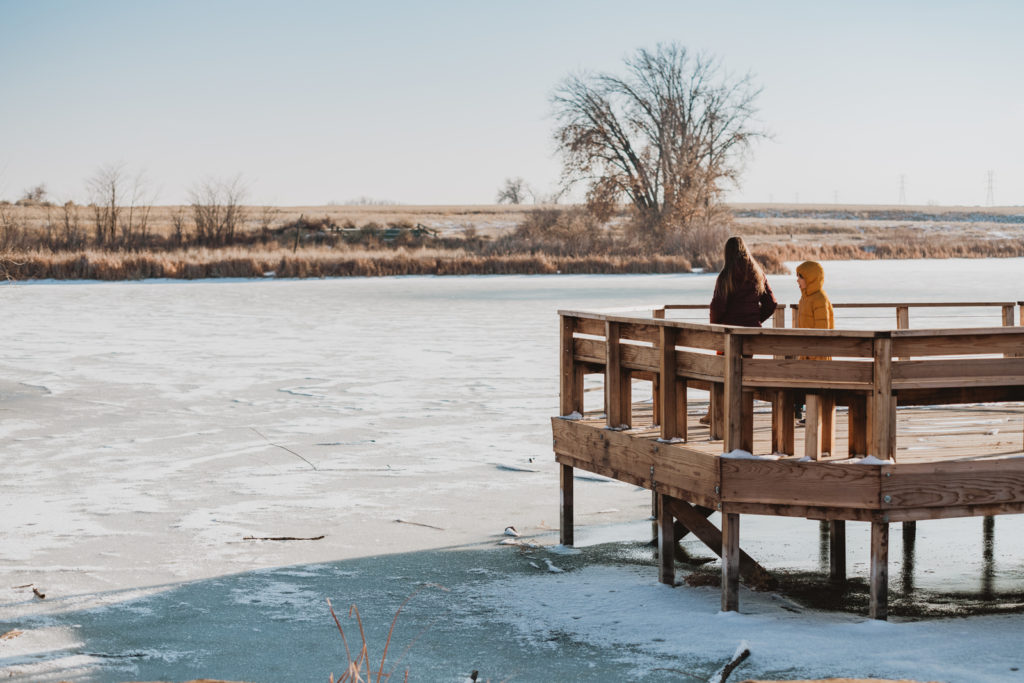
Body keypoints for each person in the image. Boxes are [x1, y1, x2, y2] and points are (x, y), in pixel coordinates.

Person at [701, 236, 778, 424]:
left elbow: (717, 307)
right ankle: (740, 414)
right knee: (743, 374)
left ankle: (715, 413)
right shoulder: (757, 273)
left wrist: (716, 326)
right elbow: (771, 303)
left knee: (720, 373)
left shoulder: (726, 276)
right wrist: (755, 319)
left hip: (728, 336)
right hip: (750, 337)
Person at [793, 260, 835, 421]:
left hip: (818, 354)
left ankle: (815, 414)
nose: (797, 280)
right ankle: (802, 409)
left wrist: (816, 353)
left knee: (816, 384)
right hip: (806, 352)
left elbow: (822, 330)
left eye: (800, 277)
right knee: (802, 381)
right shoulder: (804, 299)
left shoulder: (819, 299)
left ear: (810, 279)